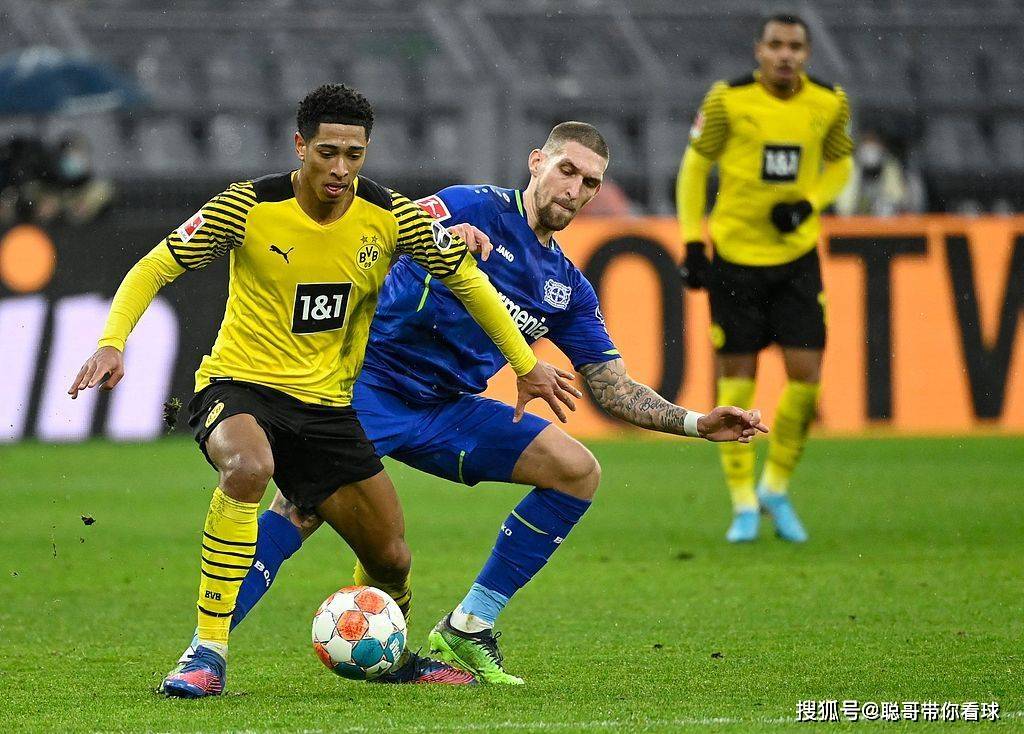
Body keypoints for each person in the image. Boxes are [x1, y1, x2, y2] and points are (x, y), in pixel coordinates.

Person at [171, 121, 768, 685]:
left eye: (590, 183)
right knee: (300, 511)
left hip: (446, 410)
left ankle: (469, 626)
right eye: (567, 170)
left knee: (577, 471)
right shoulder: (468, 205)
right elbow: (369, 238)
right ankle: (205, 652)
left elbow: (612, 386)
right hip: (365, 387)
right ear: (537, 162)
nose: (575, 190)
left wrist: (696, 422)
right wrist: (440, 241)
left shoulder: (565, 286)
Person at [66, 83, 578, 697]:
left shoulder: (390, 217)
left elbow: (468, 281)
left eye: (353, 155)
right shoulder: (247, 206)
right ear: (300, 146)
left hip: (329, 408)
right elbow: (155, 266)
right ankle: (206, 653)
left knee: (391, 557)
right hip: (241, 386)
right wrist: (112, 341)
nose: (340, 168)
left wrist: (524, 362)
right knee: (248, 468)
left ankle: (390, 656)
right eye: (327, 152)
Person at [676, 14, 853, 543]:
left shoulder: (829, 103)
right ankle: (743, 502)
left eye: (795, 46)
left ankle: (775, 485)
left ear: (807, 53)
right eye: (776, 45)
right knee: (737, 377)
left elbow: (841, 165)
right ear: (759, 50)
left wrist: (808, 204)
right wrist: (692, 240)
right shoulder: (728, 100)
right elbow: (694, 166)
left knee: (806, 374)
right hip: (735, 258)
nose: (785, 55)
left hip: (796, 259)